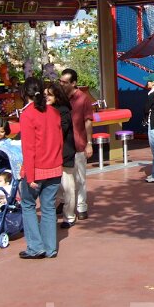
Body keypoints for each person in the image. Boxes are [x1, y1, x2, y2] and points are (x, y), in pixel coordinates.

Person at [18, 77, 63, 259]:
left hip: (37, 169)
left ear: (24, 93)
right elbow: (59, 141)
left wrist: (29, 175)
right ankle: (50, 248)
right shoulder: (54, 112)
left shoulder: (27, 115)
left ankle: (36, 247)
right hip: (55, 167)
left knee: (28, 205)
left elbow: (28, 148)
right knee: (49, 207)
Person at [58, 68, 93, 219]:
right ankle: (64, 202)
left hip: (78, 144)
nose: (62, 84)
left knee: (80, 178)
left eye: (65, 82)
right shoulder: (59, 98)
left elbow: (88, 121)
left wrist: (89, 142)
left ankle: (82, 206)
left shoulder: (83, 99)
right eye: (60, 81)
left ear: (73, 83)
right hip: (62, 145)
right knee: (63, 178)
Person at [45, 82, 77, 228]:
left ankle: (69, 216)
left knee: (67, 185)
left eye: (49, 95)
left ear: (57, 96)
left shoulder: (63, 111)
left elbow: (60, 131)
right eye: (45, 95)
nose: (47, 97)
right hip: (52, 153)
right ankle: (59, 209)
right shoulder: (46, 110)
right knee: (55, 186)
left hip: (64, 153)